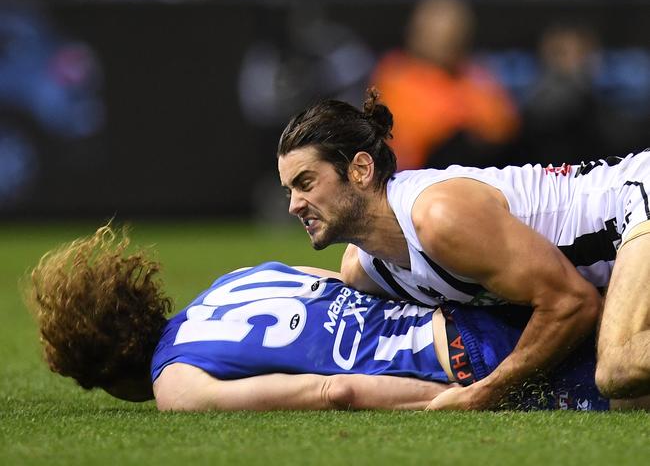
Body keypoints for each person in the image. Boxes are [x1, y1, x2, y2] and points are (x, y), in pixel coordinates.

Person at [277, 89, 650, 410]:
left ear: (360, 169)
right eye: (290, 190)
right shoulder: (364, 267)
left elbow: (574, 304)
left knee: (619, 365)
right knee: (631, 399)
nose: (295, 204)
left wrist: (483, 394)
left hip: (637, 194)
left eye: (306, 182)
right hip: (625, 245)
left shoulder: (438, 217)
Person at [25, 225, 631, 411]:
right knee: (629, 338)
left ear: (103, 369)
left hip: (462, 362)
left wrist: (441, 405)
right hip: (472, 308)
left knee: (630, 394)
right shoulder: (235, 280)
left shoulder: (174, 383)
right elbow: (353, 285)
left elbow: (330, 389)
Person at [370, 0, 519, 170]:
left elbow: (503, 125)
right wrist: (466, 116)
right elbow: (423, 130)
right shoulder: (394, 74)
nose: (449, 43)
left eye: (456, 35)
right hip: (416, 178)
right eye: (439, 35)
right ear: (416, 33)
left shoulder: (475, 73)